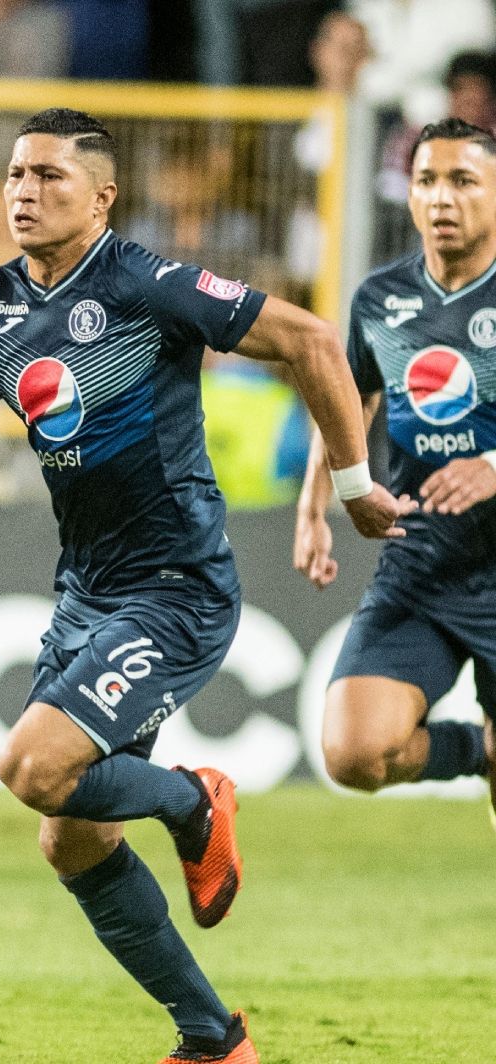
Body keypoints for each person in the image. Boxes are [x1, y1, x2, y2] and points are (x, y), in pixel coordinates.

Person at [0, 107, 408, 1064]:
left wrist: (355, 485)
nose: (24, 193)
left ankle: (193, 800)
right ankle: (213, 1039)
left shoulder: (149, 283)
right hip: (88, 595)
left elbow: (316, 341)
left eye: (50, 179)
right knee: (69, 839)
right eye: (16, 176)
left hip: (177, 588)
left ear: (102, 197)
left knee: (30, 768)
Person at [296, 117, 496, 818]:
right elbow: (349, 401)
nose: (442, 199)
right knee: (353, 752)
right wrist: (314, 505)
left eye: (464, 181)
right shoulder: (381, 300)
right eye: (426, 181)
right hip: (424, 567)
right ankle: (481, 749)